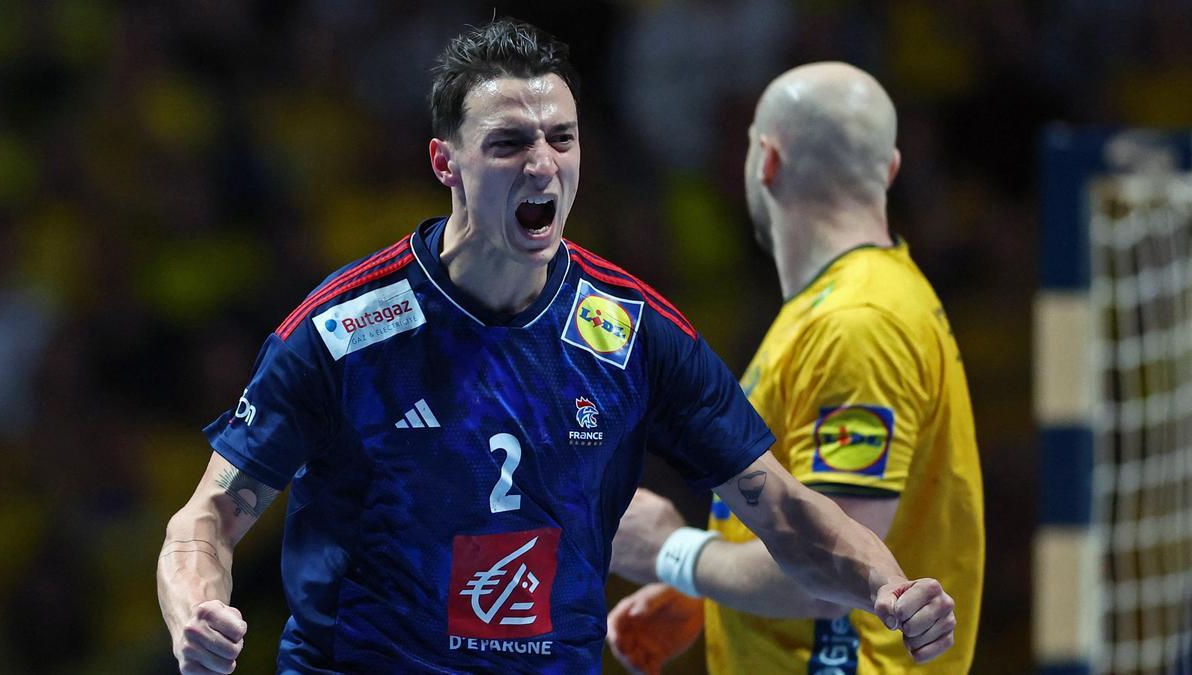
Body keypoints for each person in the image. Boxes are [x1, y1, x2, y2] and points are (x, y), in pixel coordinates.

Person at [156, 22, 957, 673]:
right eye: (508, 143)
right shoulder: (344, 330)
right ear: (448, 163)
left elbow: (782, 507)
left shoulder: (635, 332)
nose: (542, 163)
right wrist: (196, 609)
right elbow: (206, 517)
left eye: (561, 138)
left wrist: (888, 585)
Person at [607, 62, 984, 674]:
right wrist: (709, 591)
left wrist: (671, 552)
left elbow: (825, 575)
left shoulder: (857, 323)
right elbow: (815, 531)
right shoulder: (848, 305)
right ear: (889, 170)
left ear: (766, 161)